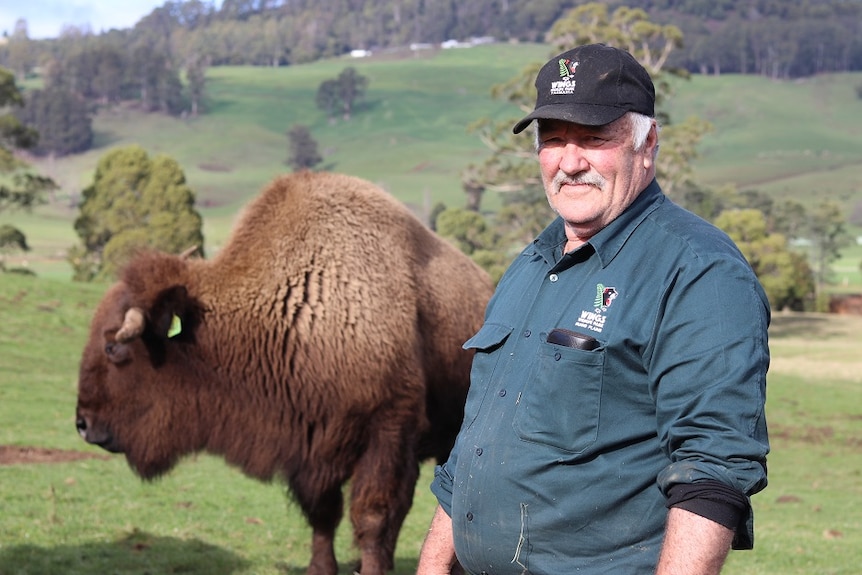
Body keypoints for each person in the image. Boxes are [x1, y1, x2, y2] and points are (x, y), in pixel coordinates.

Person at [416, 43, 770, 575]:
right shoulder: (529, 266)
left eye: (594, 138)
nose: (570, 160)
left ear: (646, 144)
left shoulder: (698, 271)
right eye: (553, 139)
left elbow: (712, 470)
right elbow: (475, 449)